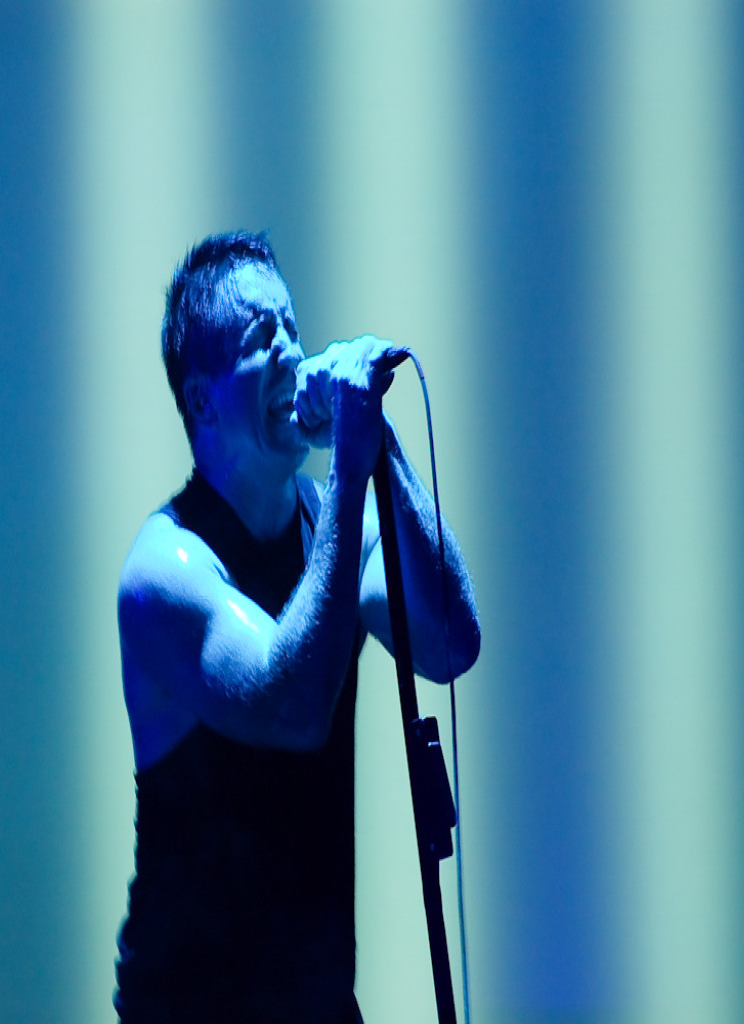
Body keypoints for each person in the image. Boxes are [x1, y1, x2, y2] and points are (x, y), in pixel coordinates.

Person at [113, 231, 480, 1022]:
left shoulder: (333, 524)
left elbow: (452, 640)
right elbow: (292, 706)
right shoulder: (164, 571)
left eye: (292, 326)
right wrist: (349, 465)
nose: (291, 352)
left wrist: (378, 445)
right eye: (260, 337)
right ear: (202, 399)